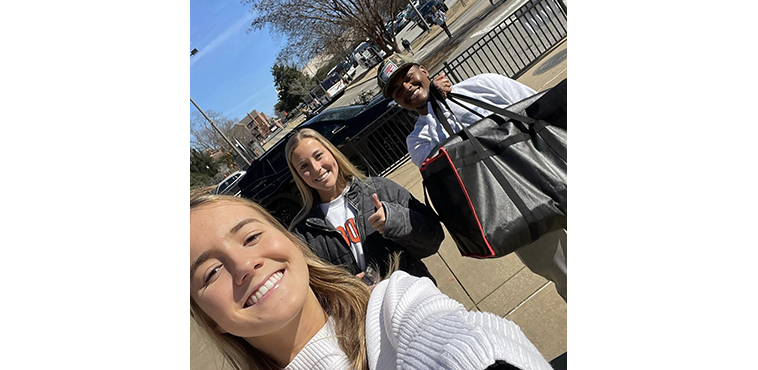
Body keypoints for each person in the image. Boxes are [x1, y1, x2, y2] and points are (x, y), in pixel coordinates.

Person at [190, 194, 555, 370]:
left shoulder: (395, 305)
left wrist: (393, 222)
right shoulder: (310, 223)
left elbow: (463, 339)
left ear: (291, 245)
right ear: (211, 321)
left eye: (251, 237)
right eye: (210, 273)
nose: (244, 265)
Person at [376, 53, 567, 301]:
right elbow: (445, 171)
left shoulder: (484, 85)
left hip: (552, 174)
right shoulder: (418, 140)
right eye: (397, 90)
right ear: (396, 102)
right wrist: (435, 105)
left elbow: (538, 112)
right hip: (515, 210)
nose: (406, 88)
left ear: (423, 70)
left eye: (408, 77)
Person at [284, 128, 444, 283]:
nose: (316, 168)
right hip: (364, 310)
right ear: (298, 176)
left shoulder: (380, 189)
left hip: (415, 300)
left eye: (318, 156)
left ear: (331, 152)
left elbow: (434, 238)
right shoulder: (303, 233)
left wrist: (394, 221)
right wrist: (350, 292)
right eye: (304, 166)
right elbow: (313, 292)